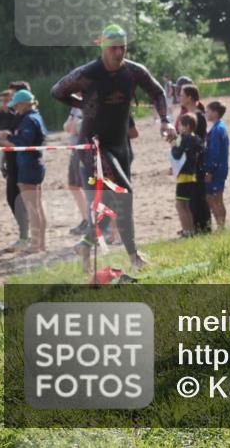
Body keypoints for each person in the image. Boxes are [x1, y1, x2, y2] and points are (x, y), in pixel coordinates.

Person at [51, 23, 175, 273]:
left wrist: (166, 121)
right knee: (124, 192)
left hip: (120, 145)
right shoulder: (87, 73)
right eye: (114, 49)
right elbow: (57, 91)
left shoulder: (133, 72)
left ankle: (85, 244)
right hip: (93, 145)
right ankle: (134, 256)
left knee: (111, 199)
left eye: (123, 48)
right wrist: (82, 103)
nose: (119, 53)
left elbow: (158, 93)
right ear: (103, 48)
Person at [0, 90, 48, 253]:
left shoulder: (29, 119)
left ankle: (36, 245)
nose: (15, 108)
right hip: (35, 163)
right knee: (37, 206)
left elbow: (22, 143)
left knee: (32, 207)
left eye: (16, 105)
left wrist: (3, 141)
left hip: (28, 165)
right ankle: (41, 244)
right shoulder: (36, 117)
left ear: (25, 103)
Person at [0, 88, 29, 249]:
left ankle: (26, 236)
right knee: (11, 198)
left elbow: (18, 137)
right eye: (2, 101)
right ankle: (24, 234)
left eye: (8, 101)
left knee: (19, 198)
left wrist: (7, 136)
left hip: (19, 162)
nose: (5, 104)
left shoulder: (18, 116)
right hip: (8, 159)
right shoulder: (1, 114)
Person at [178, 85, 211, 233]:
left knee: (197, 194)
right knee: (190, 196)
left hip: (196, 162)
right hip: (188, 162)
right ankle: (193, 226)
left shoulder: (198, 116)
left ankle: (202, 227)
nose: (179, 97)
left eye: (182, 94)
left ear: (190, 97)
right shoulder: (190, 115)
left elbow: (198, 141)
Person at [171, 113, 204, 237]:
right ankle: (190, 231)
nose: (178, 127)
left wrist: (173, 146)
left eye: (180, 125)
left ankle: (187, 231)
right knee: (186, 205)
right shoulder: (196, 138)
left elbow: (177, 155)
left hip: (184, 176)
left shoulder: (185, 138)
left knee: (180, 205)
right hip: (192, 175)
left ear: (187, 126)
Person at [63, 96, 91, 235]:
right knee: (73, 185)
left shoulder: (88, 102)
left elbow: (75, 128)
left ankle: (93, 220)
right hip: (74, 149)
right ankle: (86, 218)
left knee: (87, 187)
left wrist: (73, 125)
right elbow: (67, 127)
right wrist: (73, 125)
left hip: (84, 150)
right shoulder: (75, 105)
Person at [204, 101, 230, 228]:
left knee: (215, 199)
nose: (206, 114)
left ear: (215, 112)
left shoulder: (216, 130)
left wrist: (209, 171)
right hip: (221, 168)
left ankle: (221, 226)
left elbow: (214, 153)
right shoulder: (221, 127)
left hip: (217, 170)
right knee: (217, 199)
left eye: (207, 111)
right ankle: (221, 226)